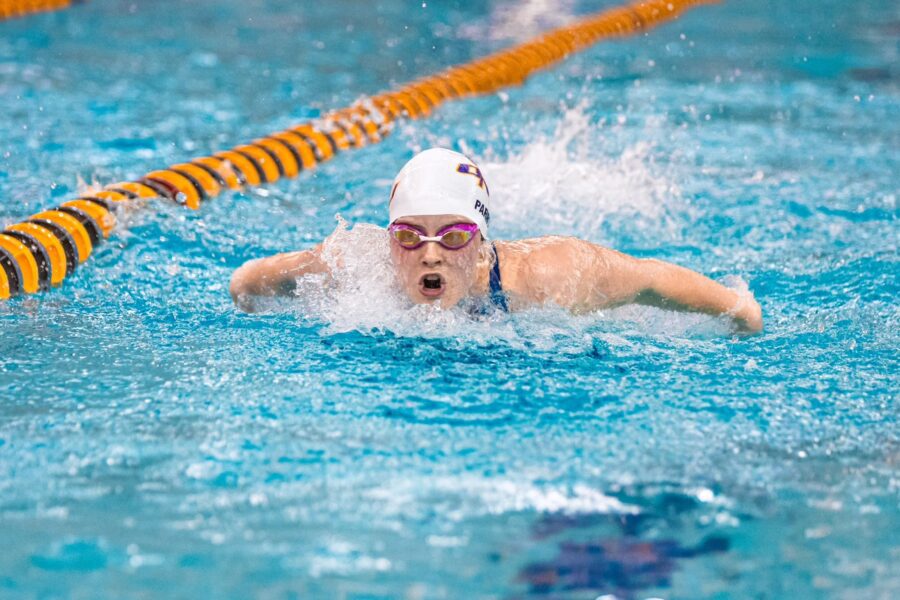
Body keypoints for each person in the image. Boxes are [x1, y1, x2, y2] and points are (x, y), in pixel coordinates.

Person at [230, 148, 763, 332]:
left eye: (455, 234)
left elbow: (650, 279)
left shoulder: (553, 274)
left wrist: (740, 311)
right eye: (411, 235)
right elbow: (247, 281)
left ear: (483, 243)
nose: (431, 252)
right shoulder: (356, 262)